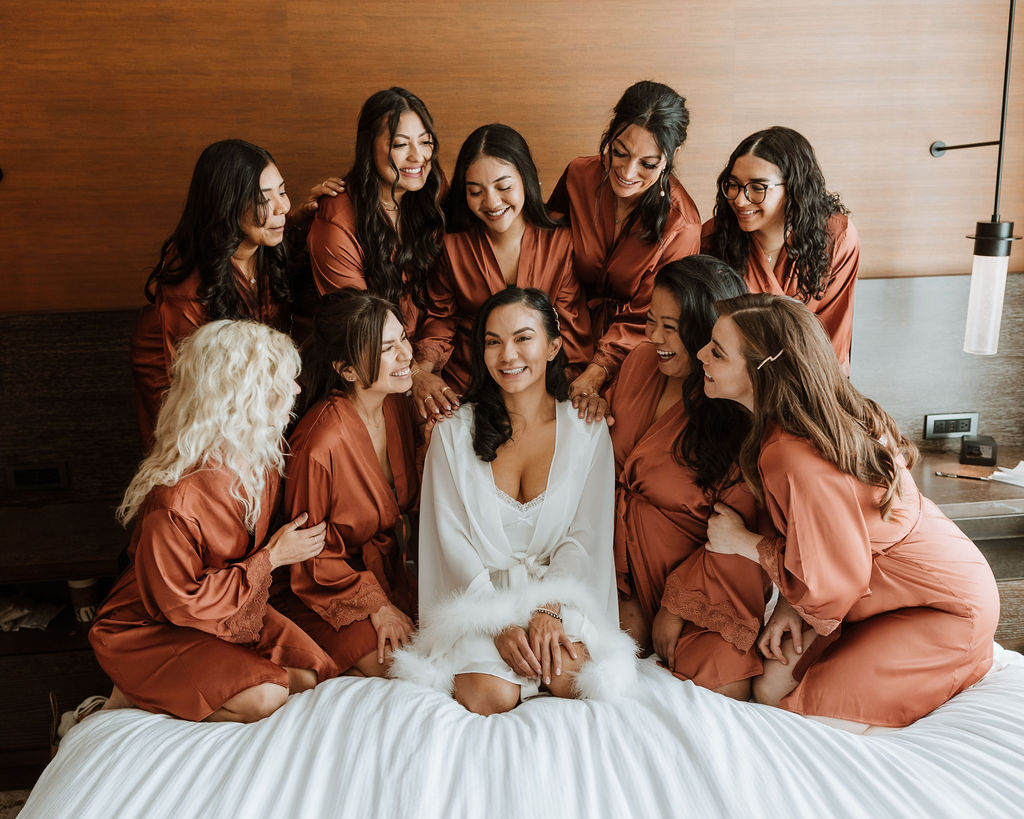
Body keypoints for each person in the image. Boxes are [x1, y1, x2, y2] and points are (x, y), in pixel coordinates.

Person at [697, 293, 999, 729]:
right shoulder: (803, 422)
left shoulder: (790, 455)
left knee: (801, 714)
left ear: (764, 370)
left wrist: (741, 543)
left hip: (942, 609)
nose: (701, 354)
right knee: (769, 685)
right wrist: (788, 605)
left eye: (717, 351)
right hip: (874, 596)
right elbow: (817, 544)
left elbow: (828, 574)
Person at [391, 288, 636, 715]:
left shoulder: (587, 430)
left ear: (554, 346)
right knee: (488, 694)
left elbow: (585, 536)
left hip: (557, 591)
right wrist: (499, 623)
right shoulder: (451, 433)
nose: (508, 355)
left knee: (572, 678)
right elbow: (451, 540)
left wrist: (548, 610)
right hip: (478, 597)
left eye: (523, 338)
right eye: (492, 341)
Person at [90, 321, 337, 723]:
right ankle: (131, 694)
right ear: (244, 391)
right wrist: (272, 558)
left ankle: (162, 689)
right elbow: (181, 602)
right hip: (156, 623)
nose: (296, 390)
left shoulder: (262, 461)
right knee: (266, 698)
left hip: (228, 602)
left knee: (310, 675)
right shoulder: (174, 500)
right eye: (284, 380)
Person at [607, 257, 770, 700]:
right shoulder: (638, 365)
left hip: (703, 582)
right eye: (649, 321)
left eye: (671, 328)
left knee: (722, 685)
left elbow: (735, 534)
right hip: (612, 570)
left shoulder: (732, 408)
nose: (653, 338)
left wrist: (675, 608)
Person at [271, 289, 418, 677]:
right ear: (347, 369)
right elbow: (309, 556)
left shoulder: (396, 403)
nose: (406, 355)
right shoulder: (319, 445)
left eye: (402, 338)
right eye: (388, 348)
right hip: (323, 588)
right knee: (399, 667)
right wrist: (377, 607)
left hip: (389, 574)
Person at [130, 139, 312, 446]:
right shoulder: (189, 284)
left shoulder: (267, 245)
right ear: (228, 205)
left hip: (254, 391)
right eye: (264, 198)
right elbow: (202, 389)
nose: (283, 206)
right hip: (188, 392)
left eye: (282, 190)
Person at [413, 124, 593, 422]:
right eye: (475, 191)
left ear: (526, 179)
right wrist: (422, 371)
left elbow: (570, 330)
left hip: (541, 385)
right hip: (467, 386)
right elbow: (440, 320)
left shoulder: (561, 239)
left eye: (504, 186)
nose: (492, 202)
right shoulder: (451, 244)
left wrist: (567, 396)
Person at [547, 80, 701, 402]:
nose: (628, 172)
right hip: (559, 331)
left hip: (634, 353)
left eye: (648, 164)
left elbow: (650, 315)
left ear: (672, 156)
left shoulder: (681, 226)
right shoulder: (578, 175)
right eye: (620, 152)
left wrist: (596, 371)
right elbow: (546, 253)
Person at [702, 127, 859, 372]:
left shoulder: (837, 237)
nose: (740, 200)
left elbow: (832, 340)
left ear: (794, 189)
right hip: (730, 382)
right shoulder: (712, 238)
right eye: (733, 184)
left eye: (757, 187)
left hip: (810, 380)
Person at [307, 87, 446, 338]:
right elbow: (362, 327)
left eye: (425, 142)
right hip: (374, 355)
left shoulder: (433, 189)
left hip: (433, 344)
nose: (418, 156)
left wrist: (429, 357)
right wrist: (416, 370)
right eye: (400, 144)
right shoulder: (336, 221)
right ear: (368, 147)